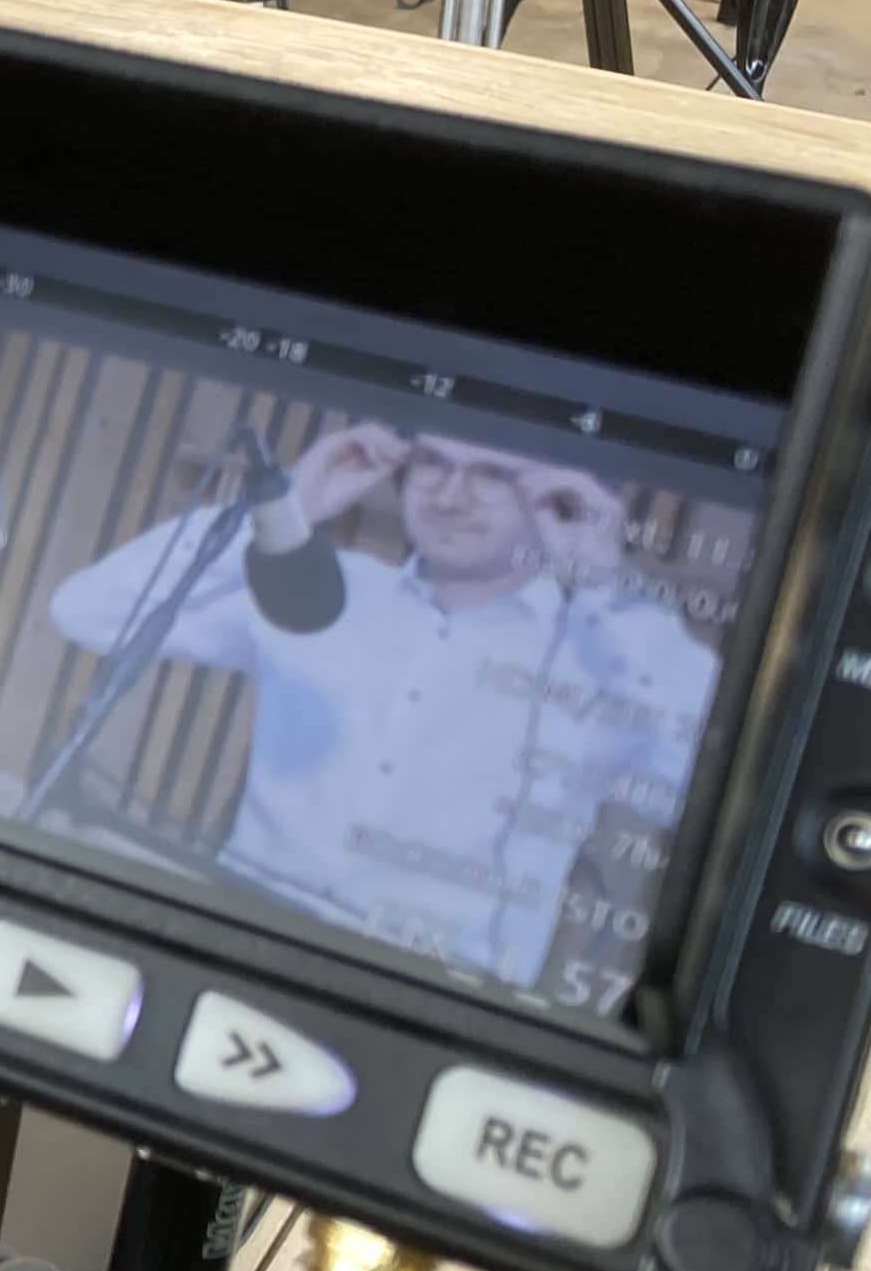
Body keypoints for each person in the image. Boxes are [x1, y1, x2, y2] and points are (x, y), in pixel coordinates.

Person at [40, 422, 719, 998]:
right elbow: (87, 612)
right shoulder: (320, 589)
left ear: (558, 500)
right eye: (433, 464)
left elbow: (707, 788)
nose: (449, 496)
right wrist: (285, 507)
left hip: (441, 1008)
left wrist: (608, 583)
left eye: (489, 475)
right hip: (236, 958)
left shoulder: (603, 658)